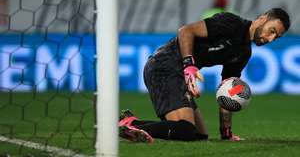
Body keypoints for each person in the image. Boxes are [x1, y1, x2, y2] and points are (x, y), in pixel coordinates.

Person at [119, 8, 290, 143]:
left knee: (199, 135)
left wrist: (226, 133)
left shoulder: (244, 52)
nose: (270, 38)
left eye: (276, 37)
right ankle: (131, 126)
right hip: (163, 65)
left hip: (178, 73)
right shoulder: (232, 23)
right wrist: (189, 65)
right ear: (263, 18)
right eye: (272, 30)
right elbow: (186, 31)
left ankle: (131, 122)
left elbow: (227, 92)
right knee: (185, 130)